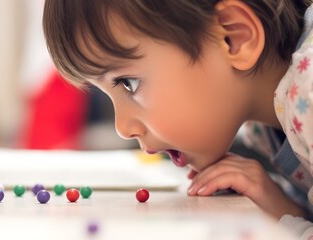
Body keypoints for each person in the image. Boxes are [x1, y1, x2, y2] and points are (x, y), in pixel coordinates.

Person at [42, 0, 313, 238]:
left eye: (129, 84)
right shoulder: (263, 118)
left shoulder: (308, 90)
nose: (122, 128)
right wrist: (285, 206)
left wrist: (284, 224)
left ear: (234, 37)